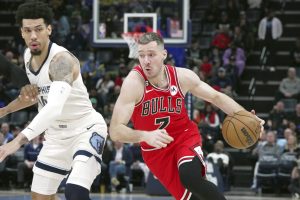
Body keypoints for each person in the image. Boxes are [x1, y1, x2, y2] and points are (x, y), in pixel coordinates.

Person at [109, 32, 265, 200]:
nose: (146, 60)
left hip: (184, 136)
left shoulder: (182, 76)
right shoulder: (134, 83)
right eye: (142, 55)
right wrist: (145, 135)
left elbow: (216, 97)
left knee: (190, 178)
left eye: (151, 55)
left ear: (164, 55)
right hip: (155, 151)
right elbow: (115, 131)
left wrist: (245, 116)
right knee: (192, 198)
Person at [0, 2, 107, 200]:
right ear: (21, 32)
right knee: (40, 197)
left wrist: (14, 143)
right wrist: (5, 111)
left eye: (39, 29)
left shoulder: (62, 61)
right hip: (56, 136)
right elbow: (34, 97)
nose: (33, 36)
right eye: (28, 30)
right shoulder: (27, 56)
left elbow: (54, 108)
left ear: (49, 29)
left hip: (85, 129)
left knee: (75, 192)